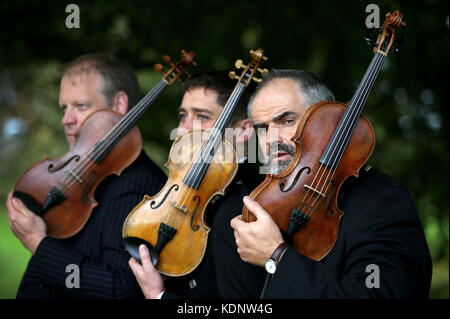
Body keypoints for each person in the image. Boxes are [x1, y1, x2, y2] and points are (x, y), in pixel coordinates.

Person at [230, 69, 433, 298]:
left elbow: (377, 294)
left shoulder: (382, 202)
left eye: (287, 121)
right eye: (263, 129)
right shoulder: (270, 207)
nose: (270, 139)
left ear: (327, 121)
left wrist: (277, 256)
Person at [5, 53, 167, 298]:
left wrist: (39, 243)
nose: (66, 120)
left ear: (118, 107)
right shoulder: (77, 181)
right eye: (64, 108)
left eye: (80, 106)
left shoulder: (138, 182)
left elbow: (119, 289)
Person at [128, 70, 267, 299]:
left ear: (243, 131)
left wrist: (158, 295)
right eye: (183, 116)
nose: (183, 129)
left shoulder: (240, 209)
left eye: (201, 117)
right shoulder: (186, 190)